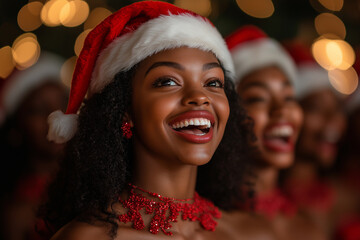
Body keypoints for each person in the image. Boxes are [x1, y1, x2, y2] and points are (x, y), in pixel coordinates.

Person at [40, 2, 261, 239]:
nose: (199, 97)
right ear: (123, 108)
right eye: (168, 82)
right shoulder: (88, 237)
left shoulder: (248, 232)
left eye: (213, 83)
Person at [226, 26, 325, 239]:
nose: (282, 111)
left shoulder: (309, 227)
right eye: (258, 98)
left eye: (289, 97)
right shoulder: (211, 227)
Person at [0, 53, 68, 240]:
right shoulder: (16, 212)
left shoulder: (100, 179)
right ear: (17, 128)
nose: (56, 115)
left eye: (63, 103)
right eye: (38, 110)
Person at [283, 42, 348, 237]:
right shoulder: (269, 201)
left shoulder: (346, 198)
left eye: (337, 109)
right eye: (316, 108)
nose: (333, 121)